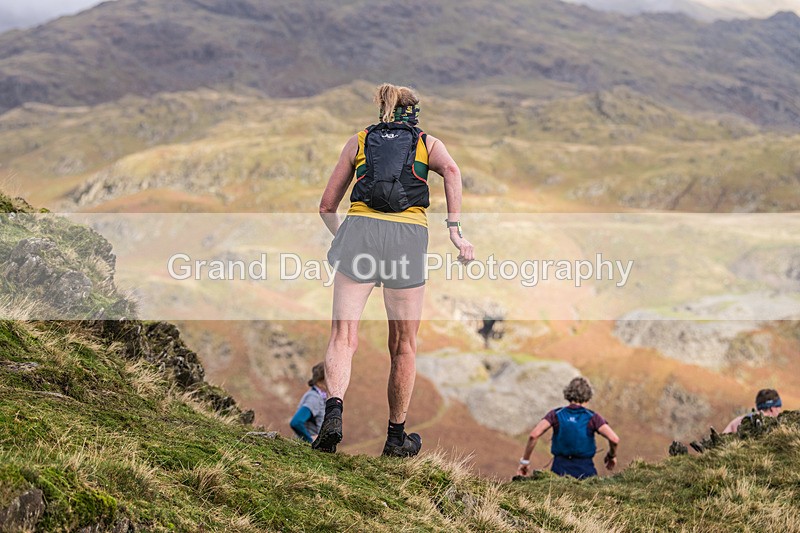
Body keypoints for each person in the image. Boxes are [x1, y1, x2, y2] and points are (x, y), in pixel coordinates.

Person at [315, 83, 475, 457]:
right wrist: (455, 231)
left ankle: (334, 412)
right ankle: (395, 438)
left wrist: (346, 238)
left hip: (360, 233)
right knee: (403, 345)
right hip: (407, 238)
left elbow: (326, 206)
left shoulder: (358, 141)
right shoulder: (428, 143)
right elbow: (451, 171)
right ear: (414, 112)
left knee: (343, 335)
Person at [516, 377, 620, 480]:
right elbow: (614, 439)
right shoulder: (592, 417)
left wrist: (525, 462)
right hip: (586, 471)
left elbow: (534, 435)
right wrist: (611, 456)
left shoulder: (556, 414)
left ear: (568, 393)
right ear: (588, 396)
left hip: (559, 470)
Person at [289, 363, 328, 443]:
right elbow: (296, 422)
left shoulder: (321, 397)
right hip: (308, 450)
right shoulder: (314, 398)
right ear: (320, 381)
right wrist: (310, 440)